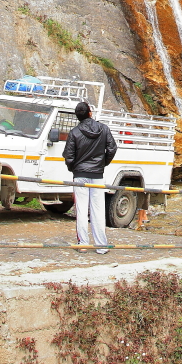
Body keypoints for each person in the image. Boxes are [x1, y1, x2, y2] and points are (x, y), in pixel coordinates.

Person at [63, 101, 117, 254]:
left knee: (81, 210)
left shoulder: (74, 132)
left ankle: (83, 244)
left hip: (80, 175)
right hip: (97, 176)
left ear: (77, 116)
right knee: (98, 210)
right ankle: (101, 246)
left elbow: (68, 156)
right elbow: (112, 148)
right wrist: (102, 163)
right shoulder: (103, 129)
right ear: (90, 113)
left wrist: (74, 169)